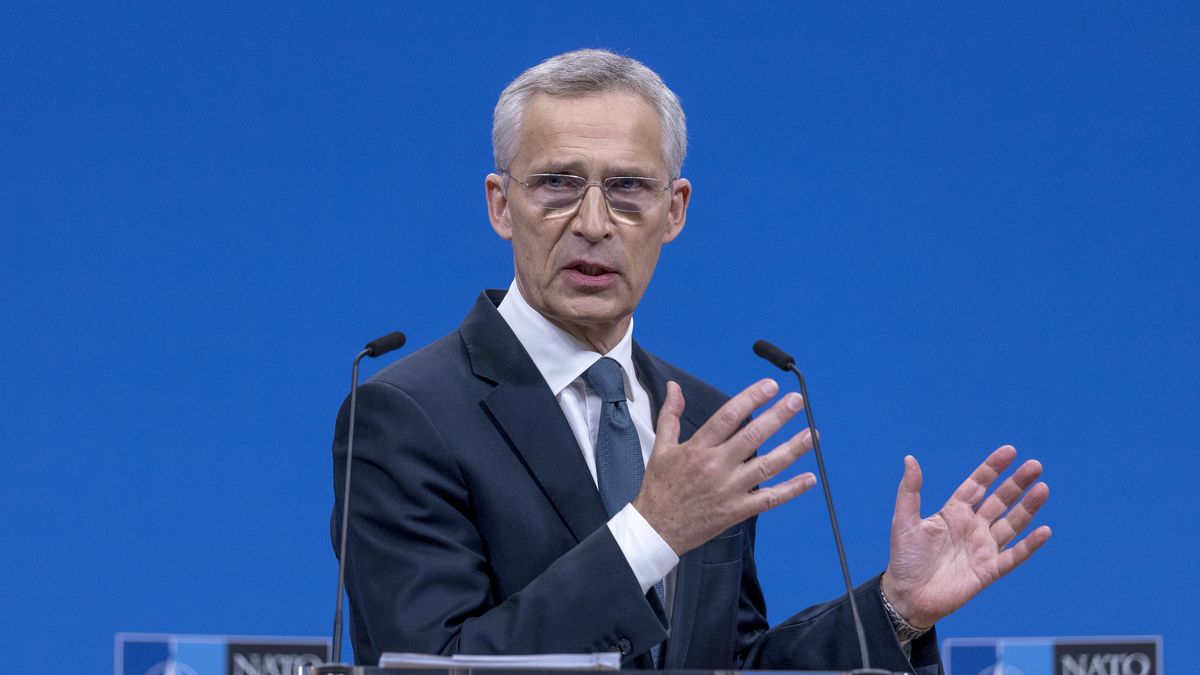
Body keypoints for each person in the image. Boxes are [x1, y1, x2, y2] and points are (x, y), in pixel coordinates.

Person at [331, 49, 1051, 673]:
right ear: (499, 204)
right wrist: (650, 533)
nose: (591, 221)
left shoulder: (698, 420)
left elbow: (727, 663)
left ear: (674, 210)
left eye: (627, 188)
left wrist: (894, 611)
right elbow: (433, 665)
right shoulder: (407, 414)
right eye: (556, 183)